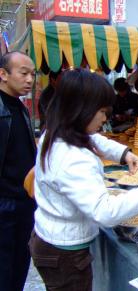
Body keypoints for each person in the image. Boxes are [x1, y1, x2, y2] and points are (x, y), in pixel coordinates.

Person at [29, 68, 138, 291]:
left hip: (49, 239)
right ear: (81, 110)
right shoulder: (72, 156)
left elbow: (94, 138)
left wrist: (124, 154)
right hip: (64, 255)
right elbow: (104, 212)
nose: (106, 118)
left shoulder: (58, 129)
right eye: (102, 111)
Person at [0, 51, 37, 291]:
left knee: (20, 267)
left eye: (33, 74)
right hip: (4, 204)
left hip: (25, 203)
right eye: (24, 73)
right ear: (3, 74)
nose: (30, 80)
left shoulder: (20, 108)